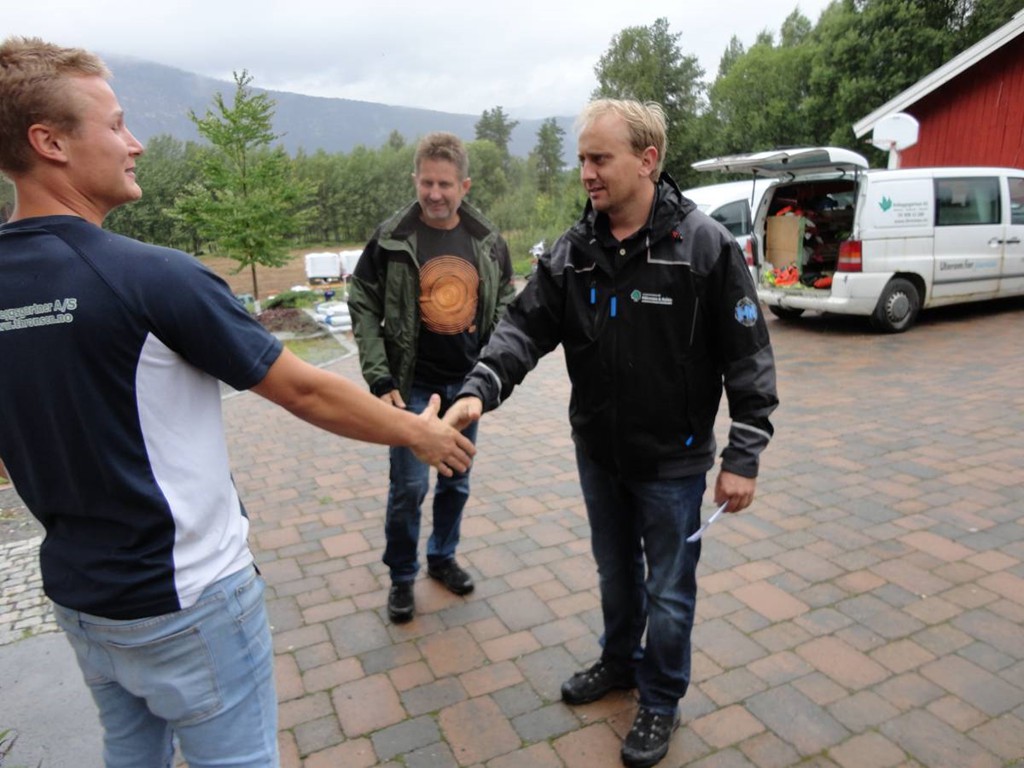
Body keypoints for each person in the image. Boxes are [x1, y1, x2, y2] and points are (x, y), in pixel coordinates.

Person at [0, 37, 474, 768]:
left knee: (131, 755)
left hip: (81, 603)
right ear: (50, 142)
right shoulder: (153, 278)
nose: (136, 143)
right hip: (190, 601)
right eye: (117, 124)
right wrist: (419, 433)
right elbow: (304, 389)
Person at [445, 99, 778, 768]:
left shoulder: (704, 247)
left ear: (647, 160)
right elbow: (522, 328)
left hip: (674, 462)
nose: (587, 173)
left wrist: (744, 454)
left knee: (669, 591)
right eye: (582, 160)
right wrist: (479, 388)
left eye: (600, 158)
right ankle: (620, 662)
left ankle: (660, 698)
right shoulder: (574, 251)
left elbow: (749, 357)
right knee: (616, 574)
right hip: (599, 454)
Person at [348, 132, 515, 623]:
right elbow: (362, 301)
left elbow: (506, 306)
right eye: (427, 183)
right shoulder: (391, 238)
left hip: (465, 388)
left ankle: (442, 557)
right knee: (408, 489)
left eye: (445, 184)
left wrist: (488, 371)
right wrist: (380, 377)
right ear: (415, 180)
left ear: (464, 185)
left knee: (456, 481)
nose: (435, 194)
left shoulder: (488, 241)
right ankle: (402, 577)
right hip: (410, 389)